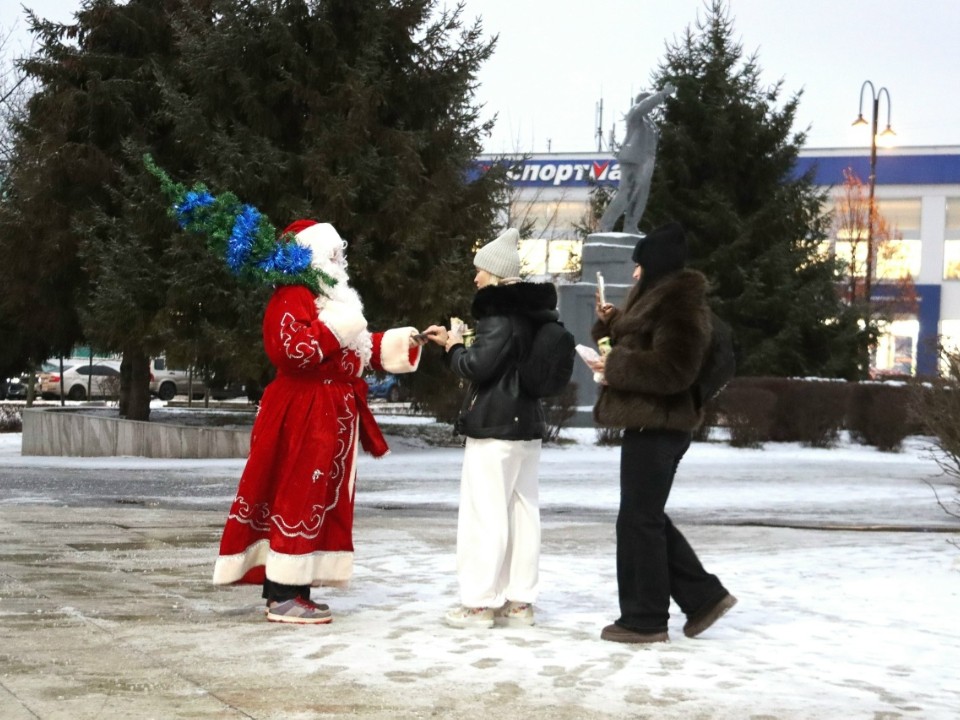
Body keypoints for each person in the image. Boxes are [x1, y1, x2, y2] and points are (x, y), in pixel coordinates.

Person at [212, 220, 425, 624]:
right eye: (332, 254)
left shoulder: (327, 300)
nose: (339, 262)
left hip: (327, 414)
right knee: (295, 495)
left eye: (340, 254)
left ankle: (295, 588)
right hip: (302, 413)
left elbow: (355, 352)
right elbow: (293, 350)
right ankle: (284, 594)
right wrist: (343, 326)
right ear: (311, 256)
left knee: (314, 497)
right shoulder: (293, 294)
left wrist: (405, 341)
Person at [586, 221, 737, 643]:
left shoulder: (681, 305)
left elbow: (675, 369)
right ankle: (703, 597)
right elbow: (641, 344)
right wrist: (610, 323)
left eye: (639, 266)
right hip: (649, 421)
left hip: (662, 424)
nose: (633, 274)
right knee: (643, 516)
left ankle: (646, 619)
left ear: (654, 266)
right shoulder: (657, 300)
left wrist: (615, 367)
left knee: (638, 520)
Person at [423, 228, 559, 629]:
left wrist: (452, 346)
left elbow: (478, 366)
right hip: (527, 426)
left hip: (495, 427)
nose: (475, 278)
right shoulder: (535, 314)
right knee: (522, 512)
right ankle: (519, 602)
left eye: (480, 270)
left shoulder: (498, 314)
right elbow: (505, 359)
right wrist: (465, 339)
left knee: (485, 514)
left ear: (496, 274)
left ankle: (479, 604)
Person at [598, 83, 676, 234]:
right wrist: (662, 94)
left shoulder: (649, 122)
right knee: (627, 192)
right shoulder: (635, 114)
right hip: (634, 159)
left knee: (640, 196)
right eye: (649, 101)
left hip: (648, 160)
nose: (652, 106)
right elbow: (645, 106)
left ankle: (631, 226)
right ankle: (606, 224)